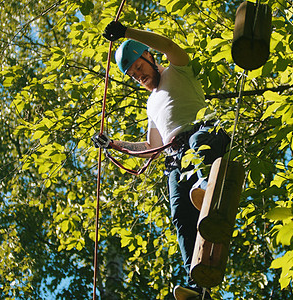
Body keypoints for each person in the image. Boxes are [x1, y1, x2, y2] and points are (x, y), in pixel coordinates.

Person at [95, 21, 230, 299]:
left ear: (150, 57)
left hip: (204, 135)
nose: (139, 75)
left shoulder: (179, 69)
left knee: (195, 144)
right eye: (133, 74)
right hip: (176, 158)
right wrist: (114, 144)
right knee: (180, 214)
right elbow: (152, 146)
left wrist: (126, 33)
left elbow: (168, 44)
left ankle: (206, 187)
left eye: (140, 67)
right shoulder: (150, 104)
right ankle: (198, 283)